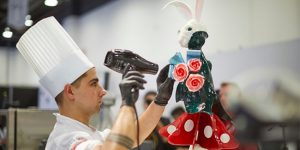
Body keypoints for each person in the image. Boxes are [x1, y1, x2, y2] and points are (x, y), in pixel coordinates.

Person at [16, 16, 175, 150]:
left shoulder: (91, 133)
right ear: (70, 92)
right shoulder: (65, 140)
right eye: (93, 83)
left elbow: (131, 136)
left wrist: (160, 100)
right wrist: (126, 104)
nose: (103, 91)